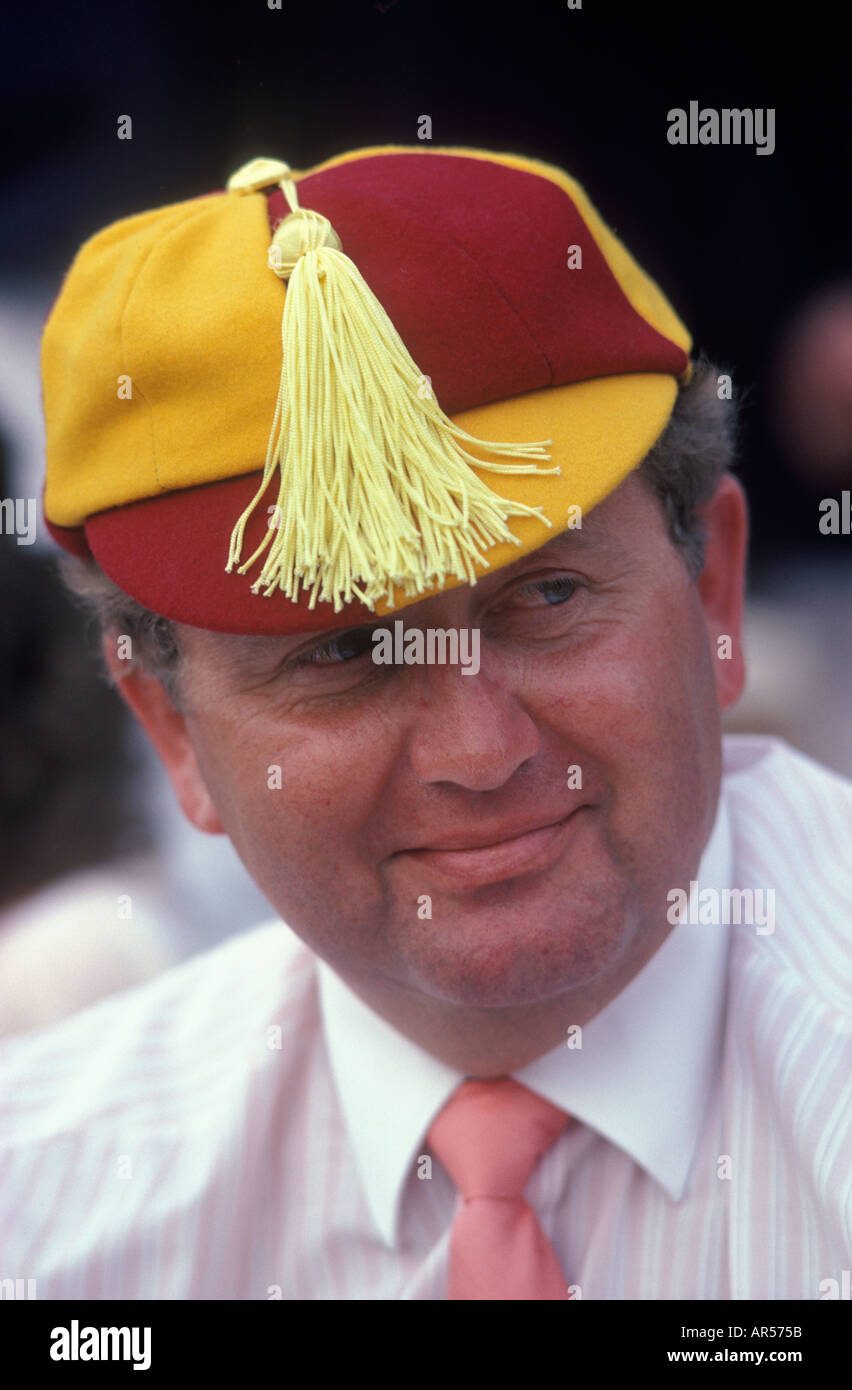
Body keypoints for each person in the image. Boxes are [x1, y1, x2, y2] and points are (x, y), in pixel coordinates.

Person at [1, 145, 849, 1301]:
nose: (480, 749)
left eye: (546, 597)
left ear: (713, 595)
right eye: (342, 653)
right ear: (174, 731)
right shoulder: (40, 1215)